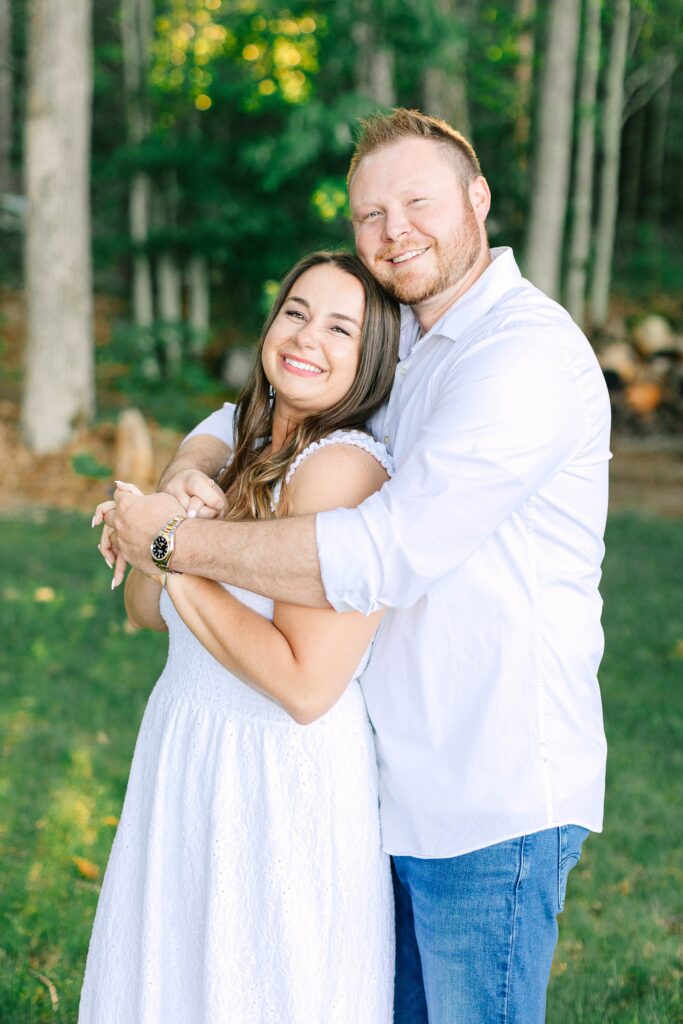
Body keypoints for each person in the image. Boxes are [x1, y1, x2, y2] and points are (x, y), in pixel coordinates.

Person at [103, 109, 612, 1024]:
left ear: (477, 199)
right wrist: (188, 470)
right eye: (369, 214)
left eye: (416, 202)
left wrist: (169, 546)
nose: (392, 231)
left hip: (489, 790)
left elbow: (384, 550)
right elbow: (249, 417)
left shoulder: (521, 356)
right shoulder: (410, 341)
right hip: (393, 782)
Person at [80, 251, 401, 1024]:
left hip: (278, 778)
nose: (305, 337)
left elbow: (302, 686)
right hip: (187, 744)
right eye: (295, 311)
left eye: (339, 328)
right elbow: (146, 615)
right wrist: (168, 502)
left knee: (257, 986)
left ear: (371, 360)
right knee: (173, 979)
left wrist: (164, 545)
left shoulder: (343, 469)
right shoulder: (239, 436)